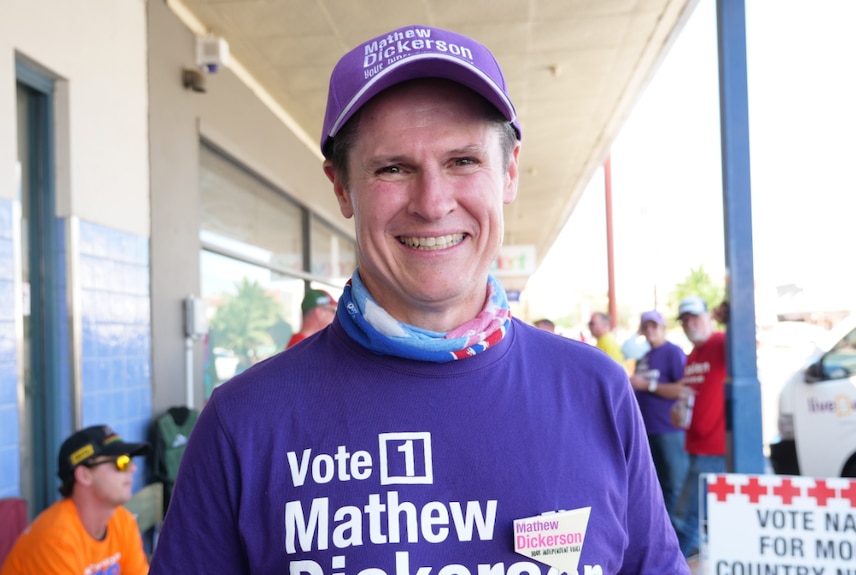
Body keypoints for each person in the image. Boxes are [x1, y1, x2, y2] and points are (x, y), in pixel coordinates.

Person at [150, 24, 687, 574]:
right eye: (393, 168)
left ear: (510, 171)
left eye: (463, 161)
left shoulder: (596, 392)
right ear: (341, 188)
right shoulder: (244, 422)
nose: (432, 204)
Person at [1, 425, 150, 575]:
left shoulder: (123, 522)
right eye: (121, 462)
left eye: (131, 461)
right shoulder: (56, 540)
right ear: (84, 475)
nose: (132, 469)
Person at [669, 295, 727, 559]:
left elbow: (747, 345)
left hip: (714, 449)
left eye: (694, 318)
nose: (689, 324)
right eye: (684, 320)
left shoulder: (719, 343)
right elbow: (690, 394)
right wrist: (679, 409)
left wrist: (730, 317)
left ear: (708, 318)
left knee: (685, 517)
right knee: (699, 516)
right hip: (694, 444)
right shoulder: (692, 355)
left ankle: (671, 564)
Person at [628, 310, 689, 513]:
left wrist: (648, 386)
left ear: (663, 328)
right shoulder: (644, 357)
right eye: (647, 326)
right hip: (648, 429)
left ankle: (682, 536)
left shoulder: (672, 352)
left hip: (668, 428)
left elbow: (683, 388)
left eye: (654, 326)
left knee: (677, 484)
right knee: (657, 485)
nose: (650, 330)